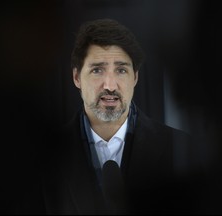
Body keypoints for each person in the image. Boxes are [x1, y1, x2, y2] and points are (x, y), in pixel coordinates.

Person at [42, 18, 204, 215]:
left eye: (121, 70)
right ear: (76, 77)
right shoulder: (43, 159)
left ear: (135, 77)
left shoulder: (179, 150)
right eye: (97, 70)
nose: (110, 85)